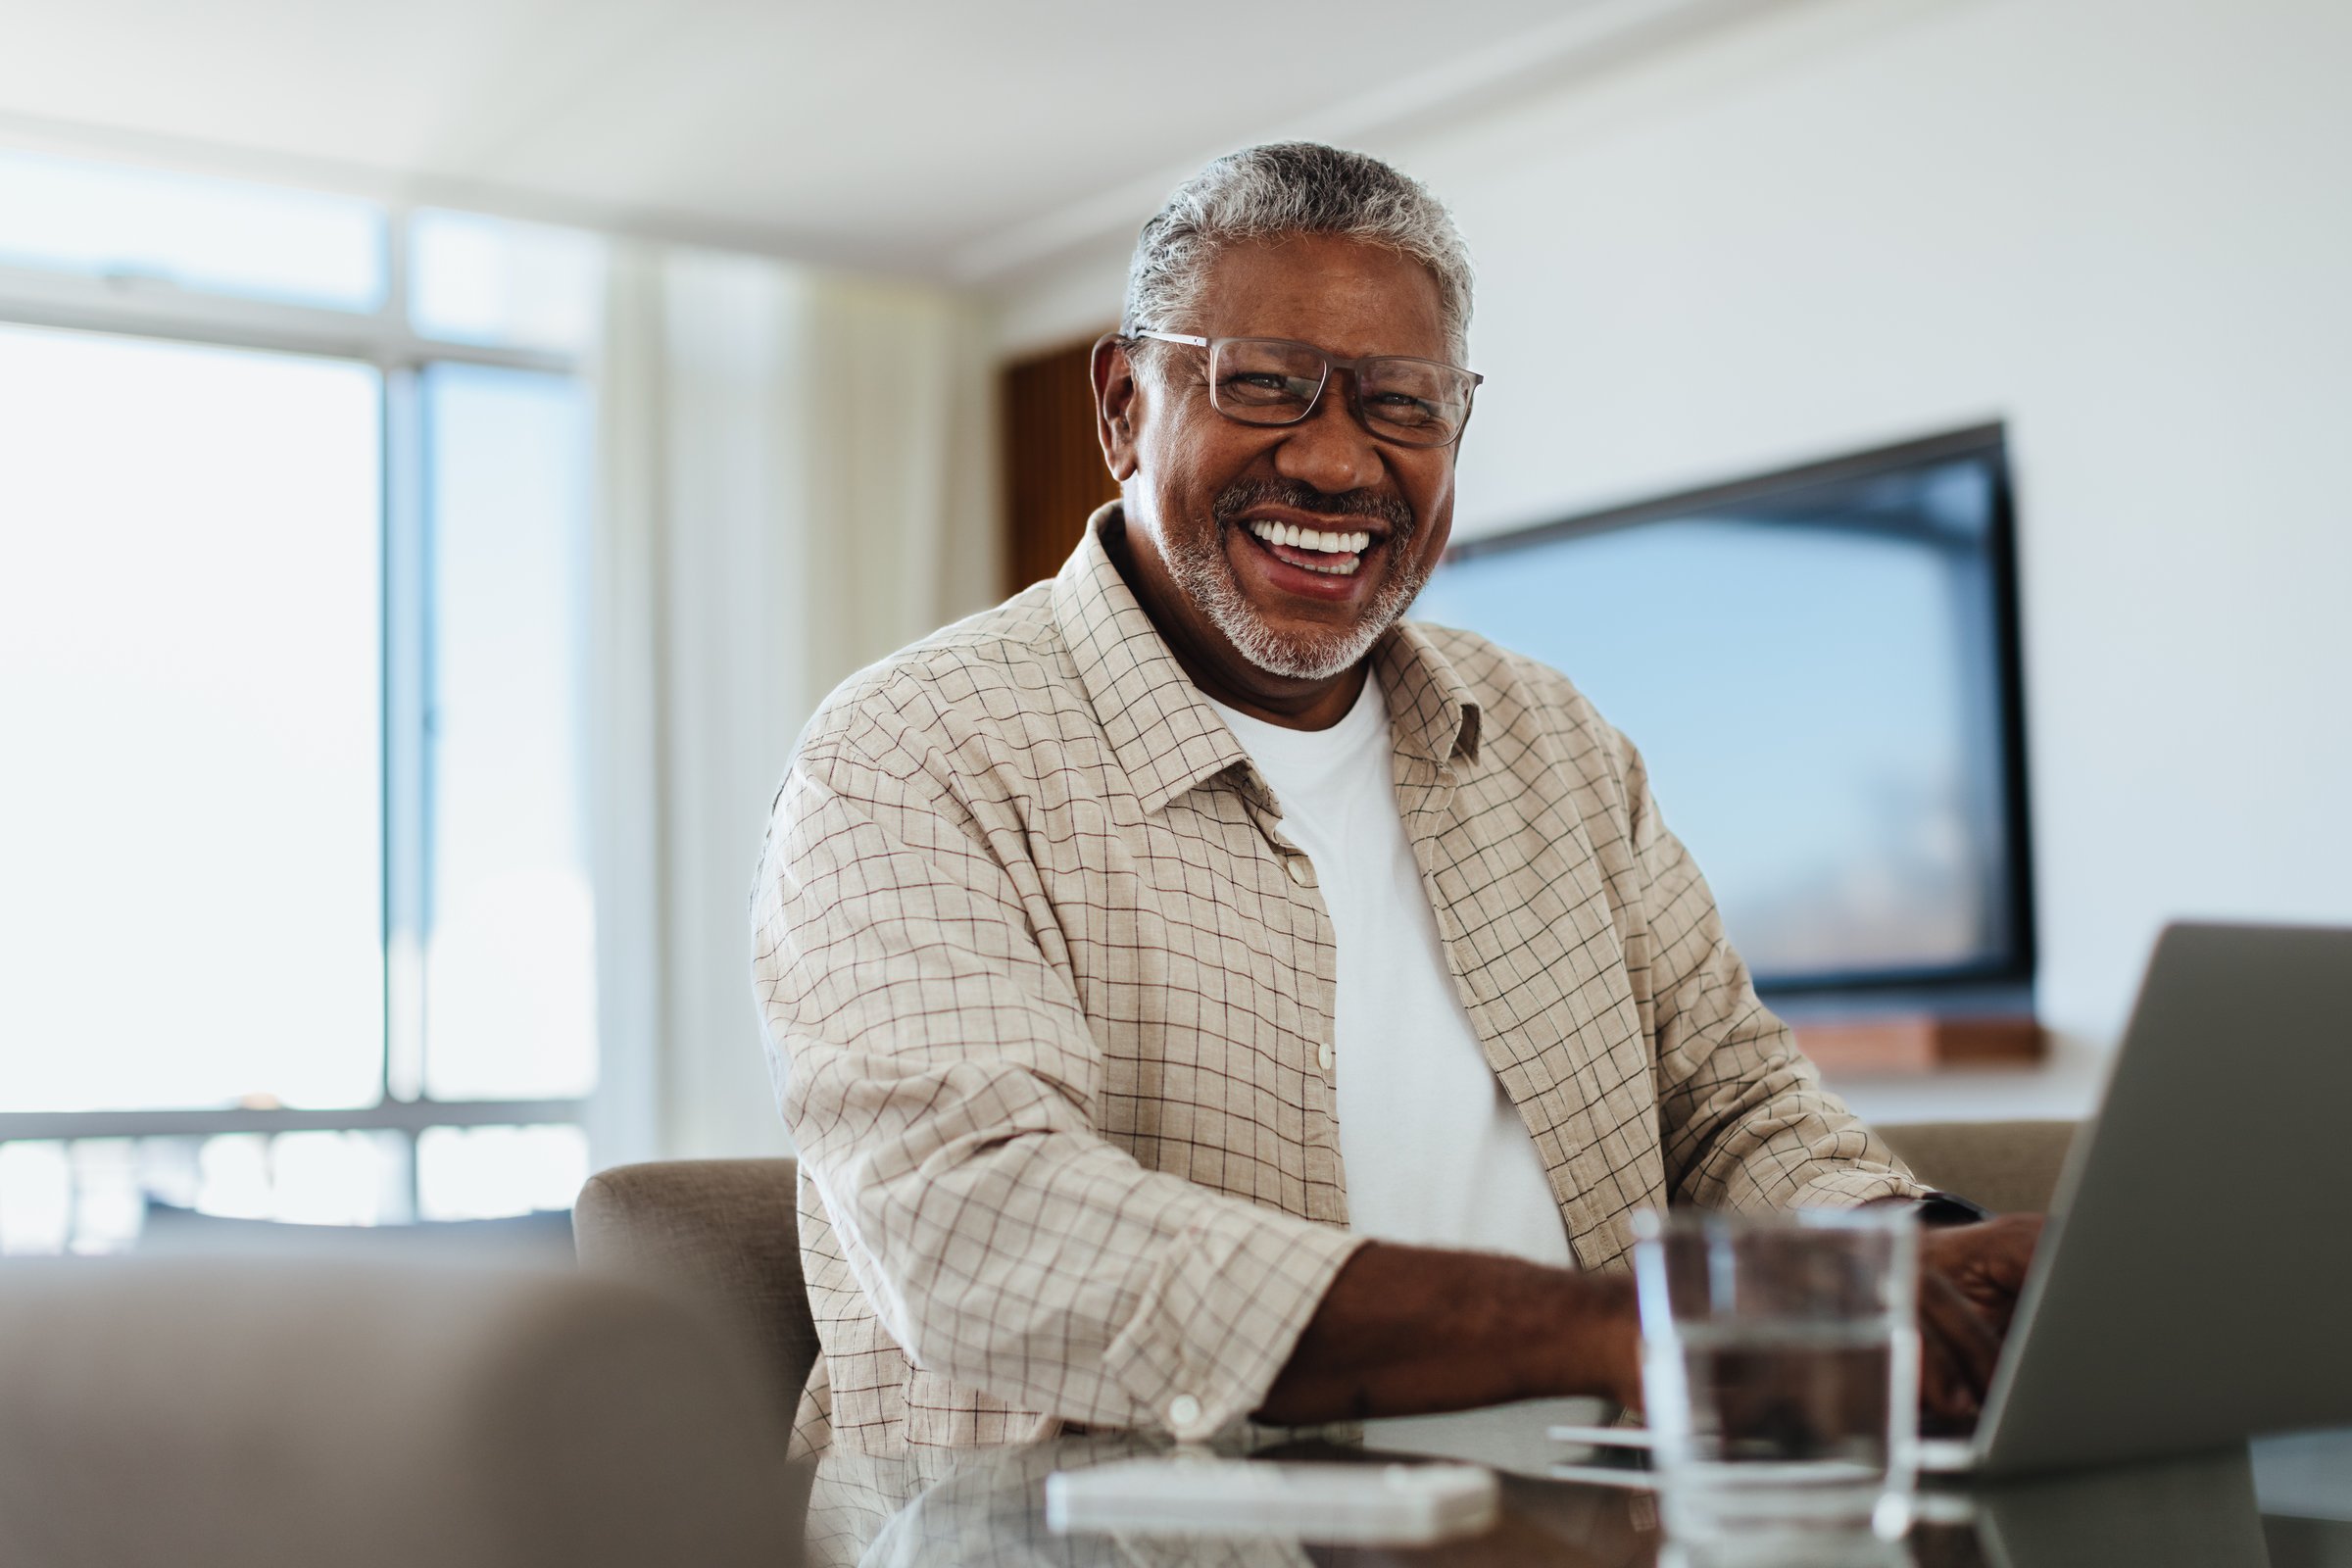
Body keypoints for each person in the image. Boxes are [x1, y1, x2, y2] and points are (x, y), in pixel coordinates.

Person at [752, 141, 2039, 1460]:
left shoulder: (1555, 744)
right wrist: (1621, 1327)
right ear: (1124, 405)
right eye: (1263, 384)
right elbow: (985, 1230)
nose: (1332, 463)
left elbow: (1728, 1105)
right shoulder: (911, 753)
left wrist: (1912, 1265)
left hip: (1593, 1525)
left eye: (1401, 406)